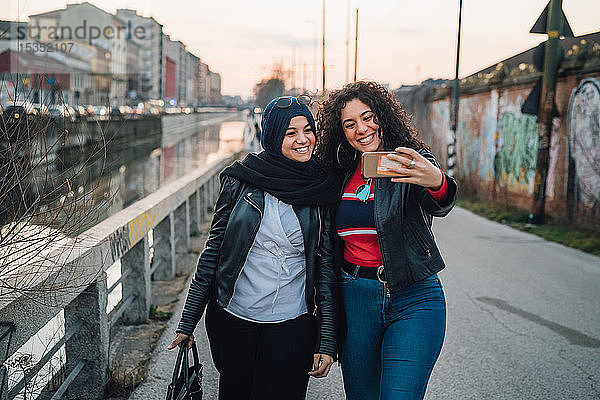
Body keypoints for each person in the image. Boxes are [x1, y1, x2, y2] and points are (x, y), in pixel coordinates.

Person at [168, 95, 340, 400]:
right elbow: (214, 253)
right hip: (235, 318)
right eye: (290, 133)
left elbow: (326, 268)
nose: (303, 140)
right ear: (272, 136)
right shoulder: (241, 180)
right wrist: (187, 321)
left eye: (308, 130)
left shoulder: (323, 187)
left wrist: (326, 339)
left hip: (293, 321)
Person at [315, 81, 457, 400]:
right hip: (356, 299)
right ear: (341, 131)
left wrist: (437, 181)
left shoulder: (410, 160)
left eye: (368, 117)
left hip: (415, 297)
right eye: (350, 123)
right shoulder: (337, 172)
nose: (361, 129)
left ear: (383, 116)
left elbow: (440, 201)